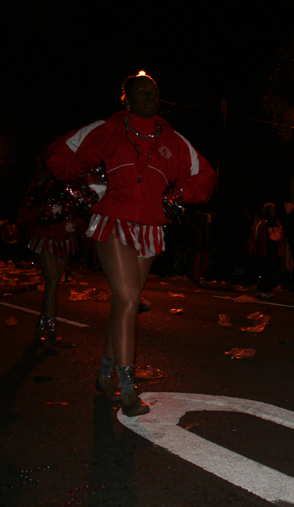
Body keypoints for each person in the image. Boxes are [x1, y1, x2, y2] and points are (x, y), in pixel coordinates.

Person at [47, 72, 216, 416]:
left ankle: (104, 376)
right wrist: (88, 178)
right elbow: (59, 152)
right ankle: (127, 388)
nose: (150, 96)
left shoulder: (171, 138)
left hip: (151, 227)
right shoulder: (106, 130)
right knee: (127, 301)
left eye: (154, 91)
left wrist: (179, 192)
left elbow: (205, 175)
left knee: (128, 303)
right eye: (142, 92)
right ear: (126, 99)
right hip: (114, 220)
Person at [19, 168, 85, 345]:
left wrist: (75, 223)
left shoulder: (73, 183)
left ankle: (42, 327)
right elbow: (25, 212)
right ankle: (51, 328)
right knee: (53, 281)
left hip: (64, 238)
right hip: (45, 237)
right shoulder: (40, 182)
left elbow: (82, 211)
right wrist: (44, 210)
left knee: (53, 285)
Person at [248, 203, 285, 299]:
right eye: (270, 210)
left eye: (273, 210)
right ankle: (261, 290)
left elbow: (281, 237)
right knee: (266, 271)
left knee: (272, 271)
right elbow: (255, 237)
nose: (272, 212)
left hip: (274, 249)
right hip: (265, 250)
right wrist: (252, 249)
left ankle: (268, 289)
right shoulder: (261, 223)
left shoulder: (277, 222)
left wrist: (281, 249)